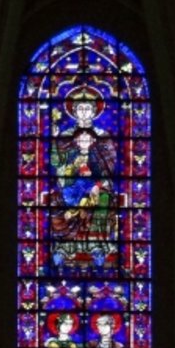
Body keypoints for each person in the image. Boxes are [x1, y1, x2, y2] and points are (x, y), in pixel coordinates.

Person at [48, 87, 119, 271]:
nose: (84, 112)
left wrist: (96, 180)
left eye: (88, 109)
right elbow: (57, 163)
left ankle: (96, 247)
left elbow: (109, 165)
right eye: (80, 109)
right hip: (72, 184)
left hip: (96, 184)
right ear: (74, 112)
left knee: (102, 199)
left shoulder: (103, 137)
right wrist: (55, 141)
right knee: (59, 201)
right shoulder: (66, 136)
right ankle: (65, 247)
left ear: (95, 111)